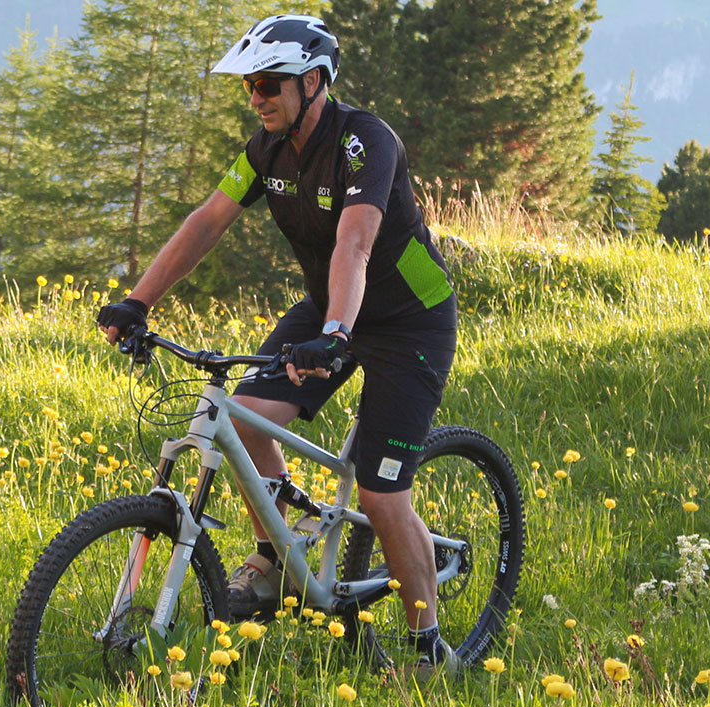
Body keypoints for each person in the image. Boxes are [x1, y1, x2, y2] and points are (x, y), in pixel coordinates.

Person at [95, 15, 460, 672]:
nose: (257, 97)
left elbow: (355, 243)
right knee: (249, 420)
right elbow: (209, 219)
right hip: (331, 312)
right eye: (250, 88)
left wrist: (335, 337)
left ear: (314, 82)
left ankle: (428, 644)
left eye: (268, 84)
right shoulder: (266, 150)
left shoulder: (362, 144)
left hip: (408, 320)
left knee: (379, 495)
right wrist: (138, 299)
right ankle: (275, 558)